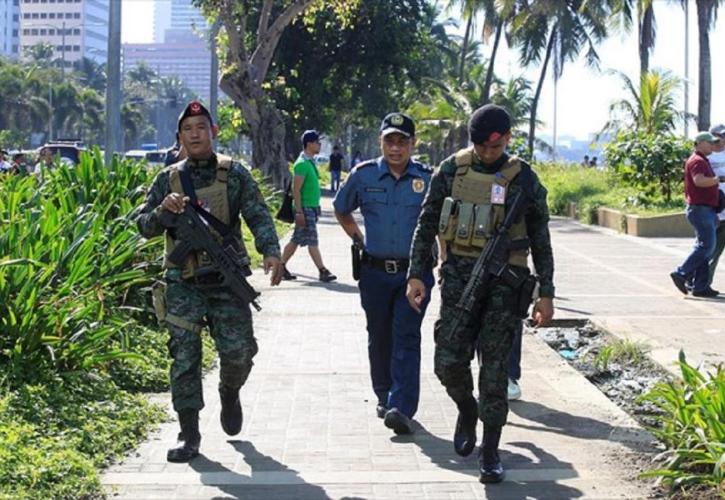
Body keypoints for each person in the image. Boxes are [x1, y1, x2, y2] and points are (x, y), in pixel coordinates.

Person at [406, 104, 555, 484]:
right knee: (448, 361)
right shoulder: (451, 170)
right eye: (482, 148)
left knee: (494, 371)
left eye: (495, 147)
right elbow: (426, 222)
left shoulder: (524, 178)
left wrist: (546, 293)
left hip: (507, 284)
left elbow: (540, 237)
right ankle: (466, 409)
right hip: (458, 278)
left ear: (507, 139)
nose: (488, 154)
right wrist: (415, 275)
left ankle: (490, 450)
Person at [135, 100, 284, 463]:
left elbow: (258, 214)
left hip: (224, 280)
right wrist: (162, 211)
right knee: (184, 357)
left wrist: (271, 251)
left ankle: (229, 390)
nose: (195, 134)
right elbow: (140, 225)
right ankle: (189, 434)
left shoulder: (234, 175)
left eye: (202, 127)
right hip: (182, 281)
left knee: (240, 352)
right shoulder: (166, 179)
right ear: (180, 136)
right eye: (188, 129)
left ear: (213, 132)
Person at [333, 112, 434, 435]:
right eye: (390, 141)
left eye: (402, 142)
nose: (395, 148)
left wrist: (443, 257)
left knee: (406, 334)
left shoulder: (426, 179)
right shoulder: (363, 176)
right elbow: (341, 207)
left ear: (412, 144)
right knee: (379, 335)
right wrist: (357, 239)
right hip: (375, 272)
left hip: (414, 274)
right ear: (381, 142)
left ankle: (401, 406)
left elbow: (438, 223)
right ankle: (384, 393)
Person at [670, 131, 722, 298]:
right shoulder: (698, 161)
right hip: (701, 209)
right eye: (709, 143)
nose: (712, 145)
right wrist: (718, 179)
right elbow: (699, 181)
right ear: (699, 143)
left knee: (705, 247)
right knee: (706, 247)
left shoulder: (702, 160)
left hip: (706, 209)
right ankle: (681, 272)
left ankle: (701, 286)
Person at [280, 130, 336, 282]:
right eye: (317, 142)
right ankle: (322, 270)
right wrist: (299, 212)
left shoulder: (310, 162)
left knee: (296, 239)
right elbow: (296, 189)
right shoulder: (302, 164)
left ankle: (281, 267)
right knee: (312, 240)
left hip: (311, 208)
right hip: (304, 208)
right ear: (309, 144)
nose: (319, 145)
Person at [707, 123, 725, 287]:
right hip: (716, 211)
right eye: (720, 136)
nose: (723, 139)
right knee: (712, 251)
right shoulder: (706, 157)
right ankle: (702, 283)